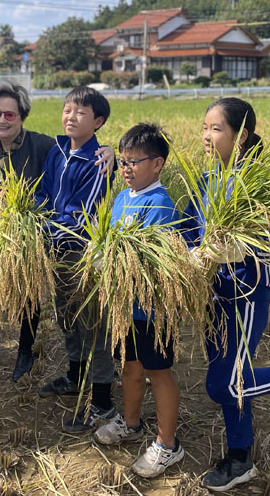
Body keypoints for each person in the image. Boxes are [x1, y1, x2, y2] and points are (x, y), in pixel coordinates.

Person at [188, 98, 270, 492]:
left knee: (224, 384)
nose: (206, 136)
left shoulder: (263, 181)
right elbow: (194, 234)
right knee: (232, 377)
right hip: (211, 295)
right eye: (204, 127)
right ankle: (240, 458)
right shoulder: (209, 182)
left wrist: (239, 248)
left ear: (241, 135)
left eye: (216, 129)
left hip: (245, 294)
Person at [0, 82, 115, 381]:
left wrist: (112, 154)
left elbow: (84, 160)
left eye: (10, 115)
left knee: (36, 296)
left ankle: (27, 352)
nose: (2, 120)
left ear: (22, 117)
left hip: (41, 237)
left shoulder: (43, 145)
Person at [93, 123, 185, 478]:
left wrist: (113, 257)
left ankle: (167, 445)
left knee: (159, 373)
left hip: (153, 310)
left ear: (158, 163)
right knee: (130, 366)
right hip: (124, 306)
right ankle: (130, 425)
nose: (126, 169)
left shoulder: (159, 205)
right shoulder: (120, 199)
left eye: (135, 162)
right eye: (123, 162)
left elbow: (148, 260)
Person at [35, 87, 116, 433]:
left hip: (80, 253)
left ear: (97, 122)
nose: (70, 116)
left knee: (93, 324)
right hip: (54, 248)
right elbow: (43, 191)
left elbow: (86, 215)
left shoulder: (98, 161)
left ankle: (102, 402)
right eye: (67, 110)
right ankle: (74, 376)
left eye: (80, 113)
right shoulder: (56, 153)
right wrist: (30, 218)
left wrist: (49, 229)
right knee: (66, 316)